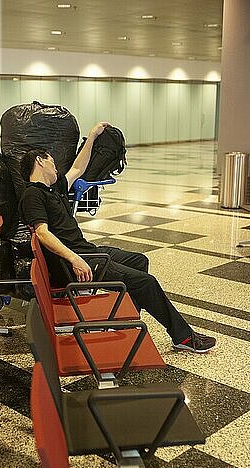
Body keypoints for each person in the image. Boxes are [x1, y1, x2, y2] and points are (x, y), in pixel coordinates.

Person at [19, 122, 216, 353]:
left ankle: (124, 321)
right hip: (76, 260)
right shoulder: (32, 194)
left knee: (139, 260)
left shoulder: (54, 189)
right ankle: (182, 337)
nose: (55, 166)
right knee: (146, 282)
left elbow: (78, 169)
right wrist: (75, 259)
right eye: (51, 161)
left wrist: (92, 136)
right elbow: (42, 233)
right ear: (40, 161)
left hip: (88, 251)